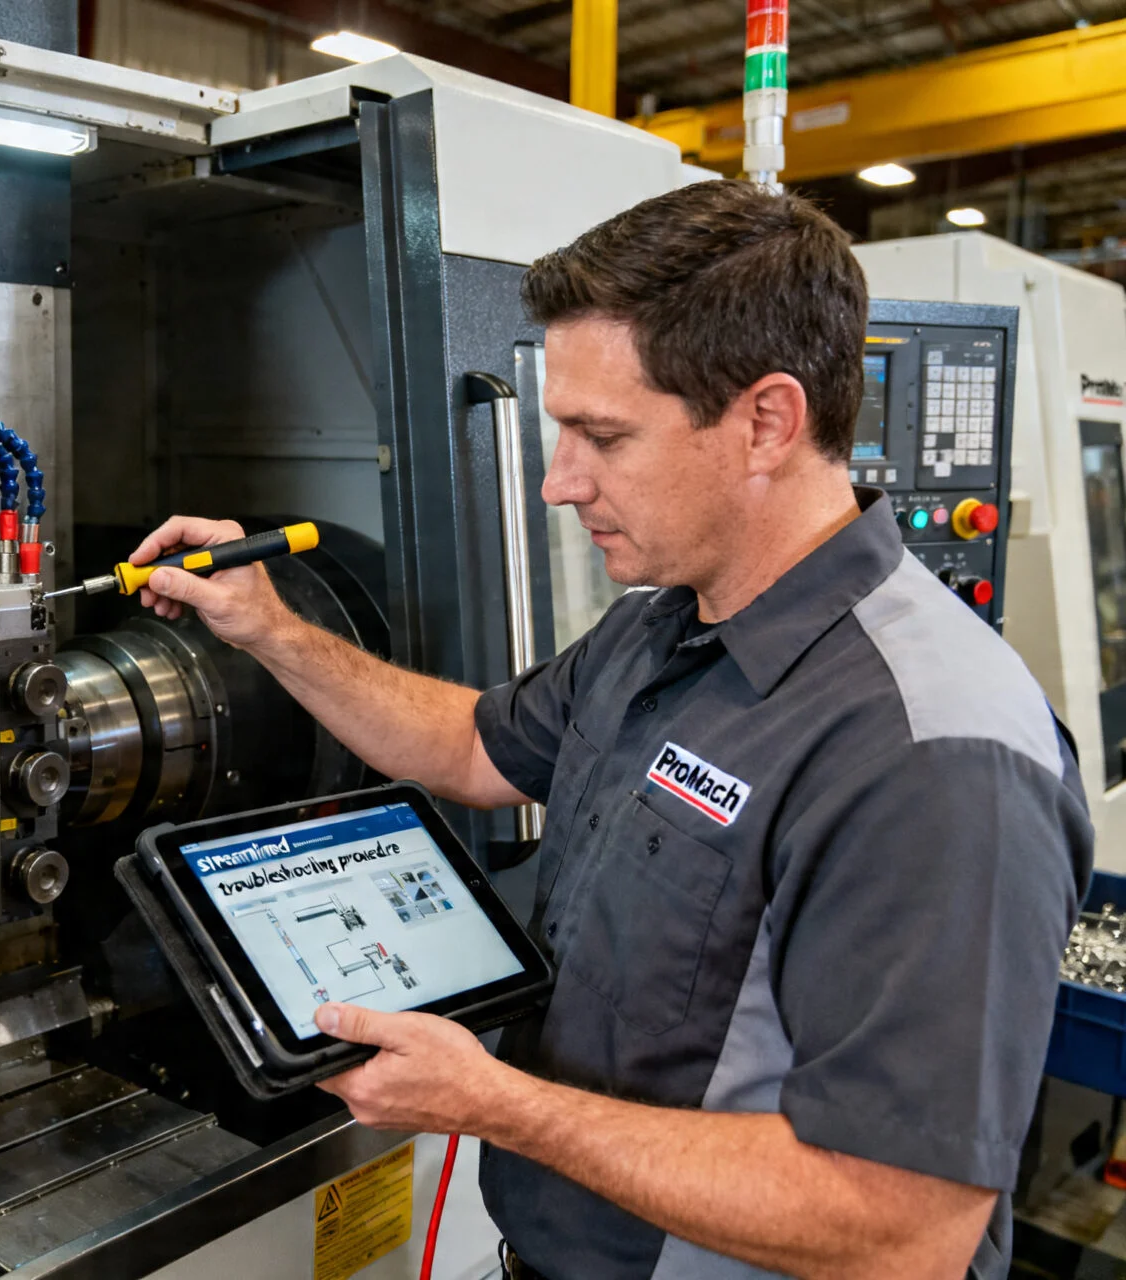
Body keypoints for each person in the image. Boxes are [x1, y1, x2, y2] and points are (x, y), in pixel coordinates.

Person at [128, 180, 1091, 1279]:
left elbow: (899, 1227)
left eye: (601, 435)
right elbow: (471, 747)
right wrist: (269, 627)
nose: (555, 481)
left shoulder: (932, 751)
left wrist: (497, 1103)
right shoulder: (660, 628)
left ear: (765, 421)